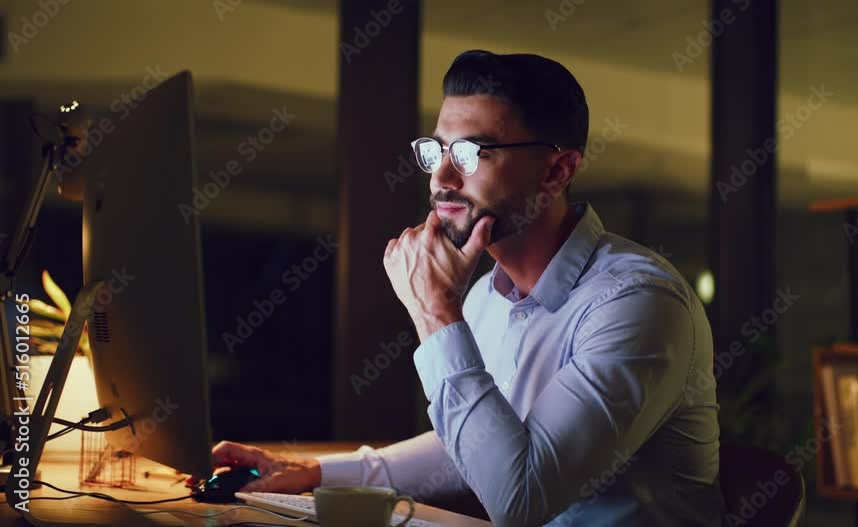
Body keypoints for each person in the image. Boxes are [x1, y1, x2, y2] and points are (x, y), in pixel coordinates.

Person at [210, 49, 723, 526]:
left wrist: (435, 311)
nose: (443, 176)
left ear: (557, 170)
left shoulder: (637, 302)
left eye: (472, 152)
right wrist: (312, 472)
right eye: (436, 151)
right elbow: (475, 449)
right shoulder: (484, 297)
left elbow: (521, 500)